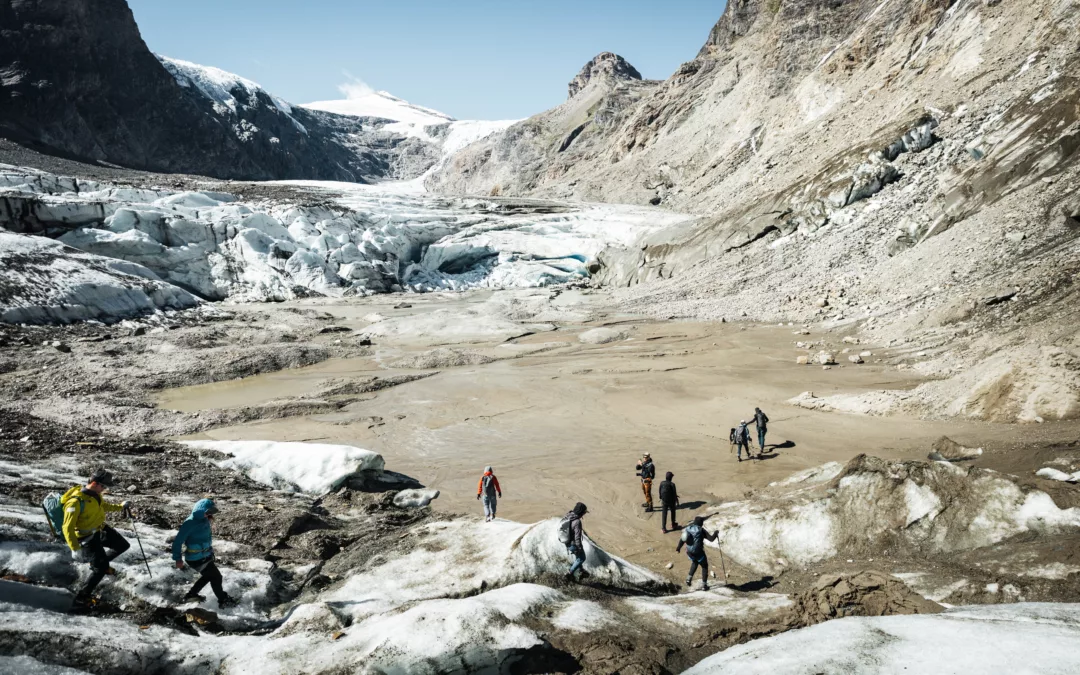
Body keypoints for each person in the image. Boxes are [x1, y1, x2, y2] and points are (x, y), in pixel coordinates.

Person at [61, 469, 132, 607]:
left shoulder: (95, 495)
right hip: (86, 537)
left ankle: (98, 564)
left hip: (100, 529)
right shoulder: (75, 502)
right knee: (101, 568)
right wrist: (75, 548)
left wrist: (120, 507)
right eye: (104, 486)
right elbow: (67, 527)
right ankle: (82, 597)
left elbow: (102, 506)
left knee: (122, 545)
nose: (105, 489)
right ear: (94, 483)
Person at [172, 498, 237, 608]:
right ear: (200, 510)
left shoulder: (204, 519)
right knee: (216, 577)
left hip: (205, 555)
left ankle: (191, 595)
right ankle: (223, 600)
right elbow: (177, 542)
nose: (208, 515)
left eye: (210, 513)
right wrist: (178, 559)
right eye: (207, 512)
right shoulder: (190, 523)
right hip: (195, 558)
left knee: (209, 576)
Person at [676, 516, 718, 591]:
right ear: (701, 523)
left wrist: (678, 548)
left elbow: (683, 539)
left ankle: (688, 579)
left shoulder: (688, 529)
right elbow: (711, 539)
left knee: (695, 562)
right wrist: (716, 533)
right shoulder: (701, 530)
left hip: (689, 552)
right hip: (698, 552)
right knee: (704, 566)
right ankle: (704, 585)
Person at [560, 502, 590, 581]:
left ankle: (581, 571)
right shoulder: (577, 522)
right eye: (584, 512)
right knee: (582, 558)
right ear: (581, 512)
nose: (584, 514)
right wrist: (579, 547)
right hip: (574, 544)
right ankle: (569, 573)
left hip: (567, 543)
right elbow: (577, 537)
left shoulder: (568, 516)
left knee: (578, 557)